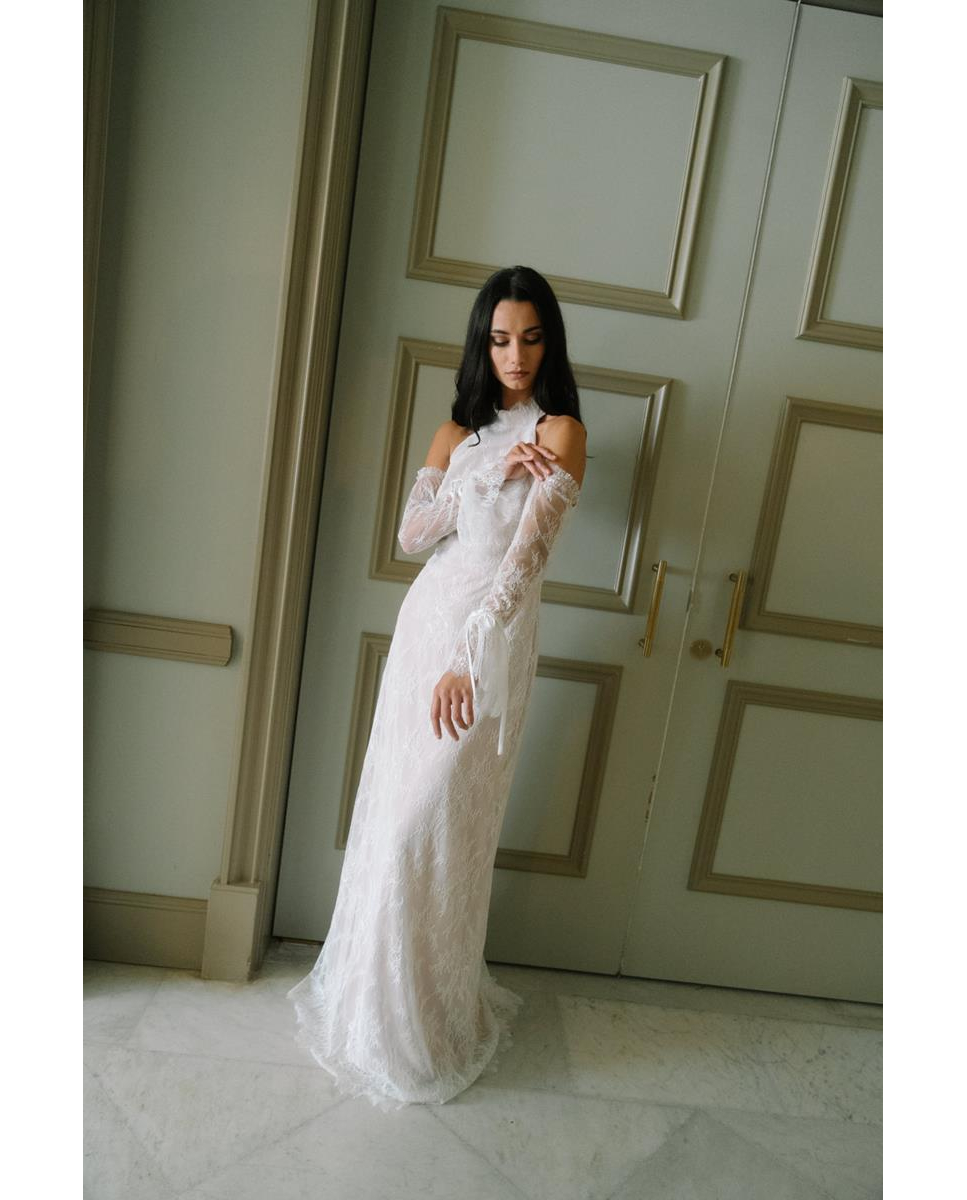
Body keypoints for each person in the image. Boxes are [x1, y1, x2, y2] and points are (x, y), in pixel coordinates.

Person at [286, 265, 587, 1111]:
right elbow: (412, 535)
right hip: (422, 634)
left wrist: (470, 656)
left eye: (531, 338)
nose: (515, 356)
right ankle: (370, 1012)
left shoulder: (562, 432)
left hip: (484, 644)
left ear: (549, 343)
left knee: (434, 830)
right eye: (500, 339)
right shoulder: (456, 433)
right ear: (481, 345)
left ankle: (429, 1020)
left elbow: (523, 566)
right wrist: (484, 475)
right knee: (392, 821)